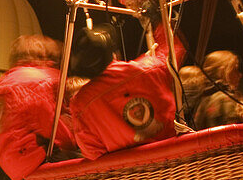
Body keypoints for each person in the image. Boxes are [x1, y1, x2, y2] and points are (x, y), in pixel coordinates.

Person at [69, 22, 185, 160]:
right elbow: (174, 49)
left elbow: (92, 152)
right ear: (113, 53)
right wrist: (158, 22)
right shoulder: (148, 68)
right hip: (176, 163)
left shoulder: (80, 103)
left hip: (130, 177)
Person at [0, 35, 79, 180]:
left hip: (12, 162)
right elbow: (54, 124)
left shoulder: (5, 81)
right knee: (97, 162)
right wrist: (74, 142)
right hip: (36, 155)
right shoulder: (40, 80)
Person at [192, 50, 243, 129]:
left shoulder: (202, 99)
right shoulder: (225, 99)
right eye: (235, 69)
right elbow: (236, 132)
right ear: (223, 72)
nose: (240, 75)